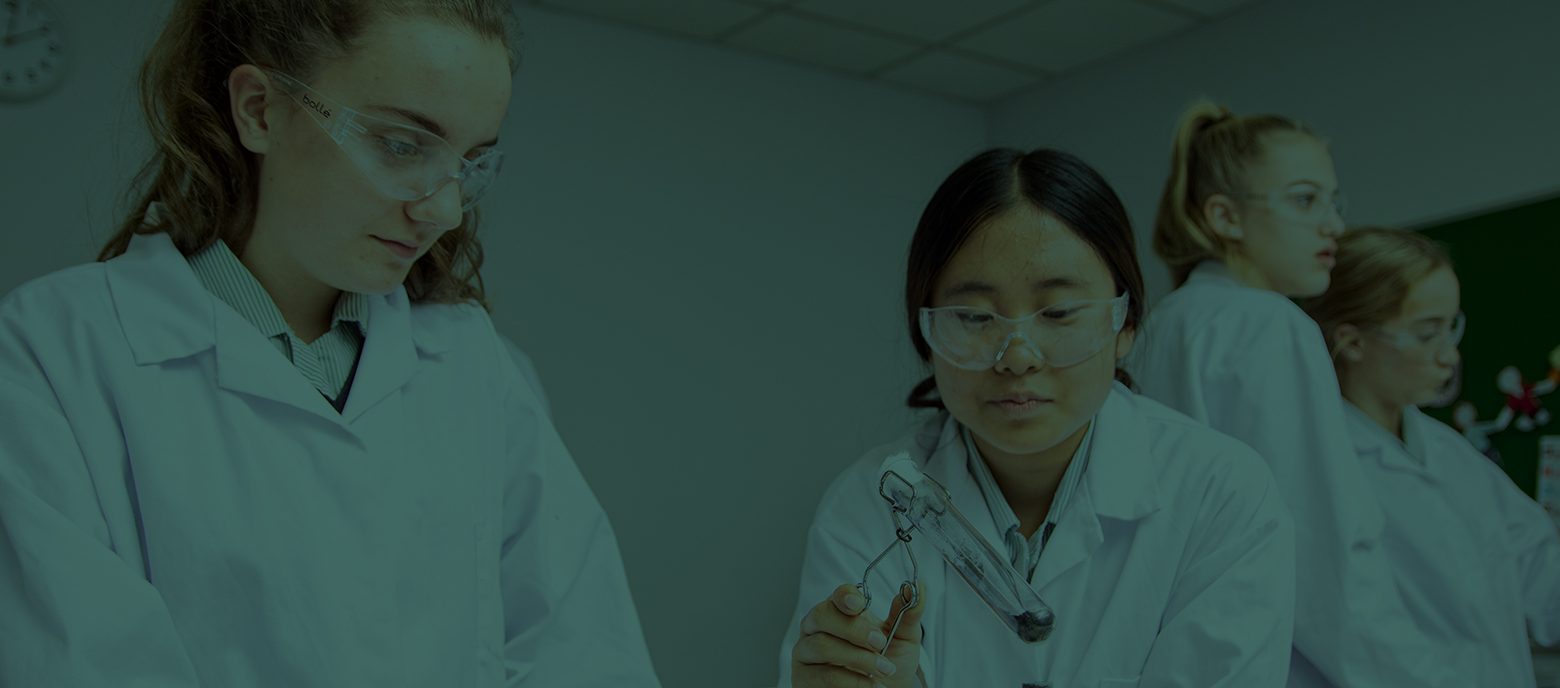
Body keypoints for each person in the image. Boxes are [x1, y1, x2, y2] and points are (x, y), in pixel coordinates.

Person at [0, 1, 658, 685]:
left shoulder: (475, 367)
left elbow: (582, 652)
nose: (445, 209)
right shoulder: (55, 352)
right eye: (403, 145)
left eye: (469, 163)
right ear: (259, 109)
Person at [779, 148, 1295, 687]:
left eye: (1059, 313)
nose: (1017, 357)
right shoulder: (868, 501)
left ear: (1127, 324)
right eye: (975, 317)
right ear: (925, 334)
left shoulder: (1223, 493)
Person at [1130, 101, 1463, 686]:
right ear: (1225, 217)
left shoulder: (1165, 324)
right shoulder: (1268, 324)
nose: (1334, 224)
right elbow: (1322, 556)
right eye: (1306, 200)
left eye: (1335, 201)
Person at [1302, 226, 1560, 686]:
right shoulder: (1323, 467)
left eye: (1451, 327)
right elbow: (1364, 639)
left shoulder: (1450, 453)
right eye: (1427, 333)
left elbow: (1541, 570)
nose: (1449, 355)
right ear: (1353, 341)